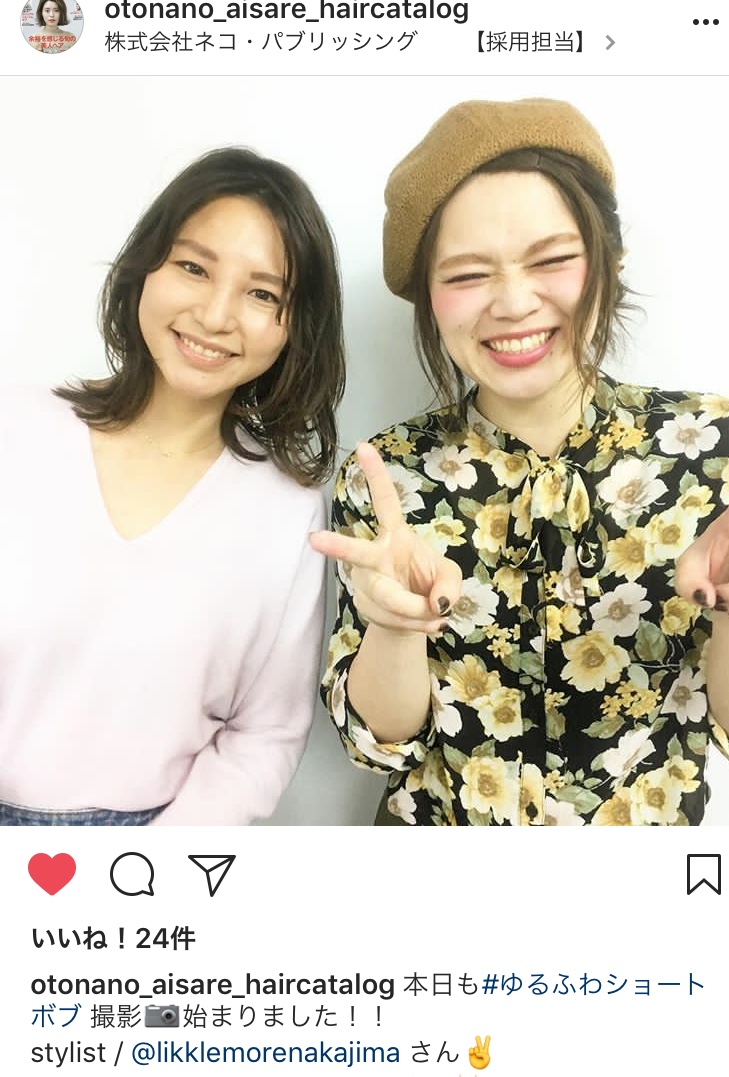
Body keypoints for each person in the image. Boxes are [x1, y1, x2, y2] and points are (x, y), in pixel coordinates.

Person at [311, 98, 729, 826]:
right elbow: (380, 745)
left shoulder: (709, 445)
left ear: (608, 261)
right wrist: (395, 626)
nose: (512, 303)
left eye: (553, 260)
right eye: (468, 275)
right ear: (428, 300)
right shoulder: (387, 475)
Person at [0, 147, 345, 825]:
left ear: (294, 327)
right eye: (193, 267)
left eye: (262, 293)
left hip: (156, 841)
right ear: (144, 268)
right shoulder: (17, 428)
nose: (215, 315)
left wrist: (159, 862)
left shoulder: (287, 510)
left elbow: (265, 732)